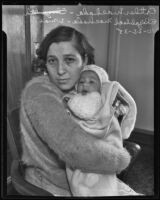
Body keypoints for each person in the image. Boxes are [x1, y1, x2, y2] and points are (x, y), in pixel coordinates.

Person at [20, 25, 139, 196]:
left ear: (84, 60)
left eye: (69, 60)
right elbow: (76, 150)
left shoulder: (78, 90)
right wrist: (121, 159)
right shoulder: (39, 92)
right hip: (49, 183)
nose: (60, 71)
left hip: (87, 176)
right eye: (52, 60)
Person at [63, 64, 137, 196]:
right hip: (77, 161)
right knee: (78, 185)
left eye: (92, 81)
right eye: (81, 81)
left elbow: (113, 136)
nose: (85, 84)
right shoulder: (71, 105)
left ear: (102, 88)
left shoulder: (107, 111)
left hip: (101, 161)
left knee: (103, 187)